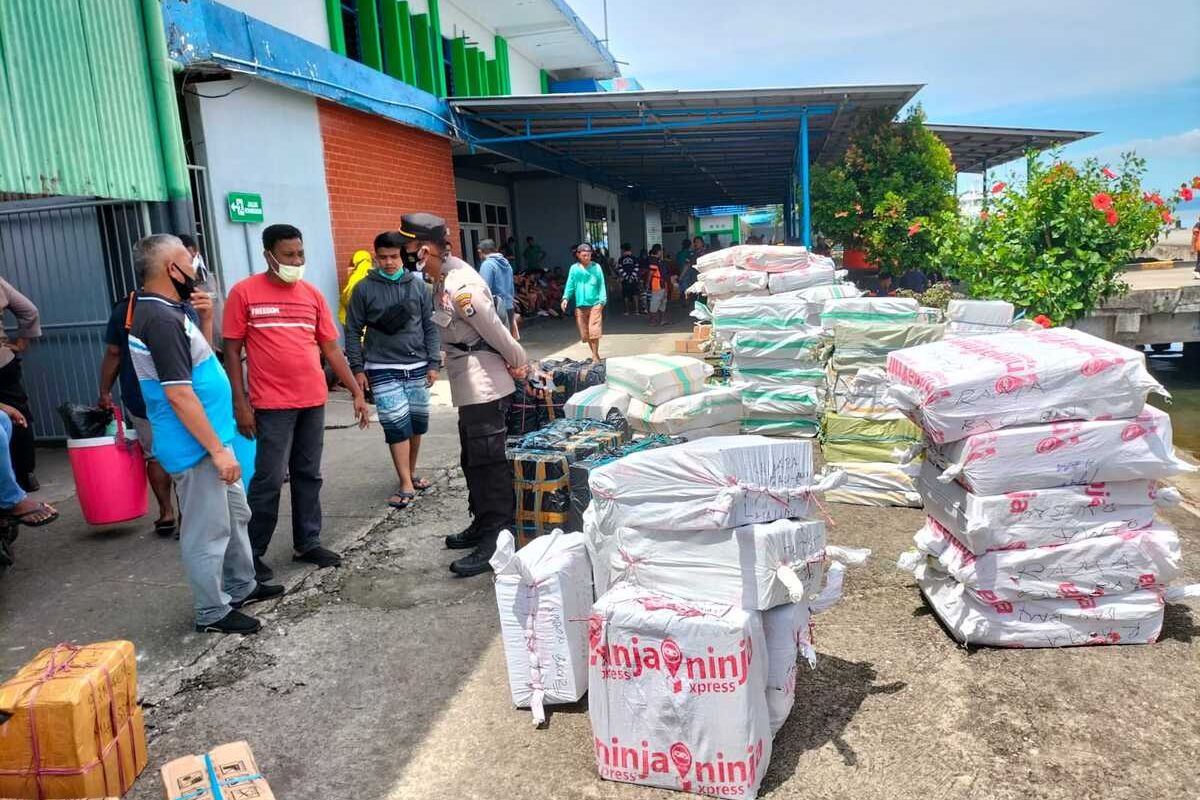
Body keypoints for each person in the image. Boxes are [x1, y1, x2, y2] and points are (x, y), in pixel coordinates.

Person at [128, 234, 283, 634]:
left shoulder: (167, 309)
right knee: (207, 530)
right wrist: (216, 450)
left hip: (211, 438)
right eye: (187, 260)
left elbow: (199, 363)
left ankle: (241, 585)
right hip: (196, 446)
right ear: (170, 269)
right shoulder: (159, 319)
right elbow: (179, 394)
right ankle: (212, 612)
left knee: (234, 516)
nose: (196, 266)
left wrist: (207, 320)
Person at [223, 224, 370, 583]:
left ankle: (307, 541)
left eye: (300, 253)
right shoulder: (244, 293)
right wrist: (240, 404)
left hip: (312, 400)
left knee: (309, 474)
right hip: (271, 404)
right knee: (269, 480)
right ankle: (252, 553)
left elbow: (331, 349)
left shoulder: (312, 295)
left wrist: (355, 391)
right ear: (268, 256)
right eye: (288, 255)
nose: (296, 261)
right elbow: (231, 350)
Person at [400, 212, 527, 577]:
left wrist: (520, 363)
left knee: (489, 464)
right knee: (472, 458)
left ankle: (497, 539)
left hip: (482, 380)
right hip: (466, 378)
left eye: (409, 249)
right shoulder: (440, 276)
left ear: (424, 249)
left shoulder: (461, 285)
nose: (408, 255)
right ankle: (481, 523)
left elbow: (498, 331)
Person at [99, 266, 216, 537]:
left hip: (141, 396)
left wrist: (104, 390)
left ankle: (166, 513)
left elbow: (114, 353)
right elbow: (200, 356)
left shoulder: (125, 309)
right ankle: (187, 514)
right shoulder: (179, 309)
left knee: (155, 455)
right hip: (179, 396)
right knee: (187, 453)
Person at [345, 231, 439, 511]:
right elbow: (352, 330)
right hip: (382, 366)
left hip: (418, 365)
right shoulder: (363, 288)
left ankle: (410, 472)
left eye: (394, 257)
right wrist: (357, 368)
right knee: (396, 424)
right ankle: (405, 483)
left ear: (402, 257)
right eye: (383, 257)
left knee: (416, 424)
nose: (388, 263)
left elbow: (430, 325)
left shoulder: (419, 286)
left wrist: (434, 362)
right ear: (375, 257)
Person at [0, 277, 40, 493]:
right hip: (3, 361)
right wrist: (22, 342)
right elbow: (29, 311)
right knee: (18, 416)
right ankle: (25, 476)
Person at [561, 243, 607, 362]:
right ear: (578, 255)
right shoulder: (574, 269)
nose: (587, 258)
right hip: (580, 304)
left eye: (589, 255)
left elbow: (601, 284)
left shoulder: (596, 267)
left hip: (596, 303)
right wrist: (565, 298)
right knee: (585, 333)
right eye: (584, 255)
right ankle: (595, 354)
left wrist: (602, 300)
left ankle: (595, 355)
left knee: (594, 330)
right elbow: (570, 284)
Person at [477, 239, 516, 334]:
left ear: (480, 251)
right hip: (509, 306)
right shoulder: (506, 263)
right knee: (508, 340)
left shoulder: (487, 264)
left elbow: (484, 289)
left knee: (497, 342)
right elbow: (511, 286)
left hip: (497, 308)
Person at [338, 249, 373, 324]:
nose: (349, 268)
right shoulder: (377, 276)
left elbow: (347, 300)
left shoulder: (355, 280)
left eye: (351, 264)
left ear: (356, 264)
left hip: (358, 325)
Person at [646, 244, 669, 327]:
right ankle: (658, 320)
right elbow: (651, 273)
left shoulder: (655, 260)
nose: (662, 252)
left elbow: (651, 273)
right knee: (659, 303)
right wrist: (648, 283)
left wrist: (647, 284)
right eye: (661, 251)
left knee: (658, 303)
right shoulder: (655, 260)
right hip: (659, 285)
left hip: (660, 285)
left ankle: (657, 320)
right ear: (659, 251)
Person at [616, 242, 640, 316]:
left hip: (625, 280)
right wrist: (632, 277)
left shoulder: (621, 259)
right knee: (635, 294)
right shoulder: (634, 258)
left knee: (626, 295)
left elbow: (620, 269)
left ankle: (627, 311)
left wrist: (626, 277)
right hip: (634, 279)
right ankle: (637, 311)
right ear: (630, 249)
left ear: (623, 250)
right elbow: (637, 268)